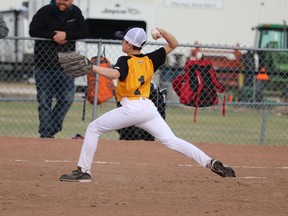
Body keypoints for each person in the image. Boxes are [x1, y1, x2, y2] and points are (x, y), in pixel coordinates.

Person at [60, 27, 236, 182]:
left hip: (131, 108)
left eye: (124, 39)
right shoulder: (151, 58)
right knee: (172, 140)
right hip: (148, 108)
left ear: (129, 45)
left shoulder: (125, 60)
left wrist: (92, 67)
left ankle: (83, 171)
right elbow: (174, 44)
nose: (122, 41)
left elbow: (114, 75)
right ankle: (210, 162)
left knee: (93, 128)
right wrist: (163, 32)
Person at [29, 0, 87, 138]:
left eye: (67, 0)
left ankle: (52, 128)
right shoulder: (44, 12)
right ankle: (46, 135)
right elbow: (33, 30)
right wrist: (53, 36)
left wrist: (66, 34)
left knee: (67, 98)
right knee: (44, 101)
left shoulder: (76, 12)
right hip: (43, 65)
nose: (63, 2)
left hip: (68, 64)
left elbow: (84, 32)